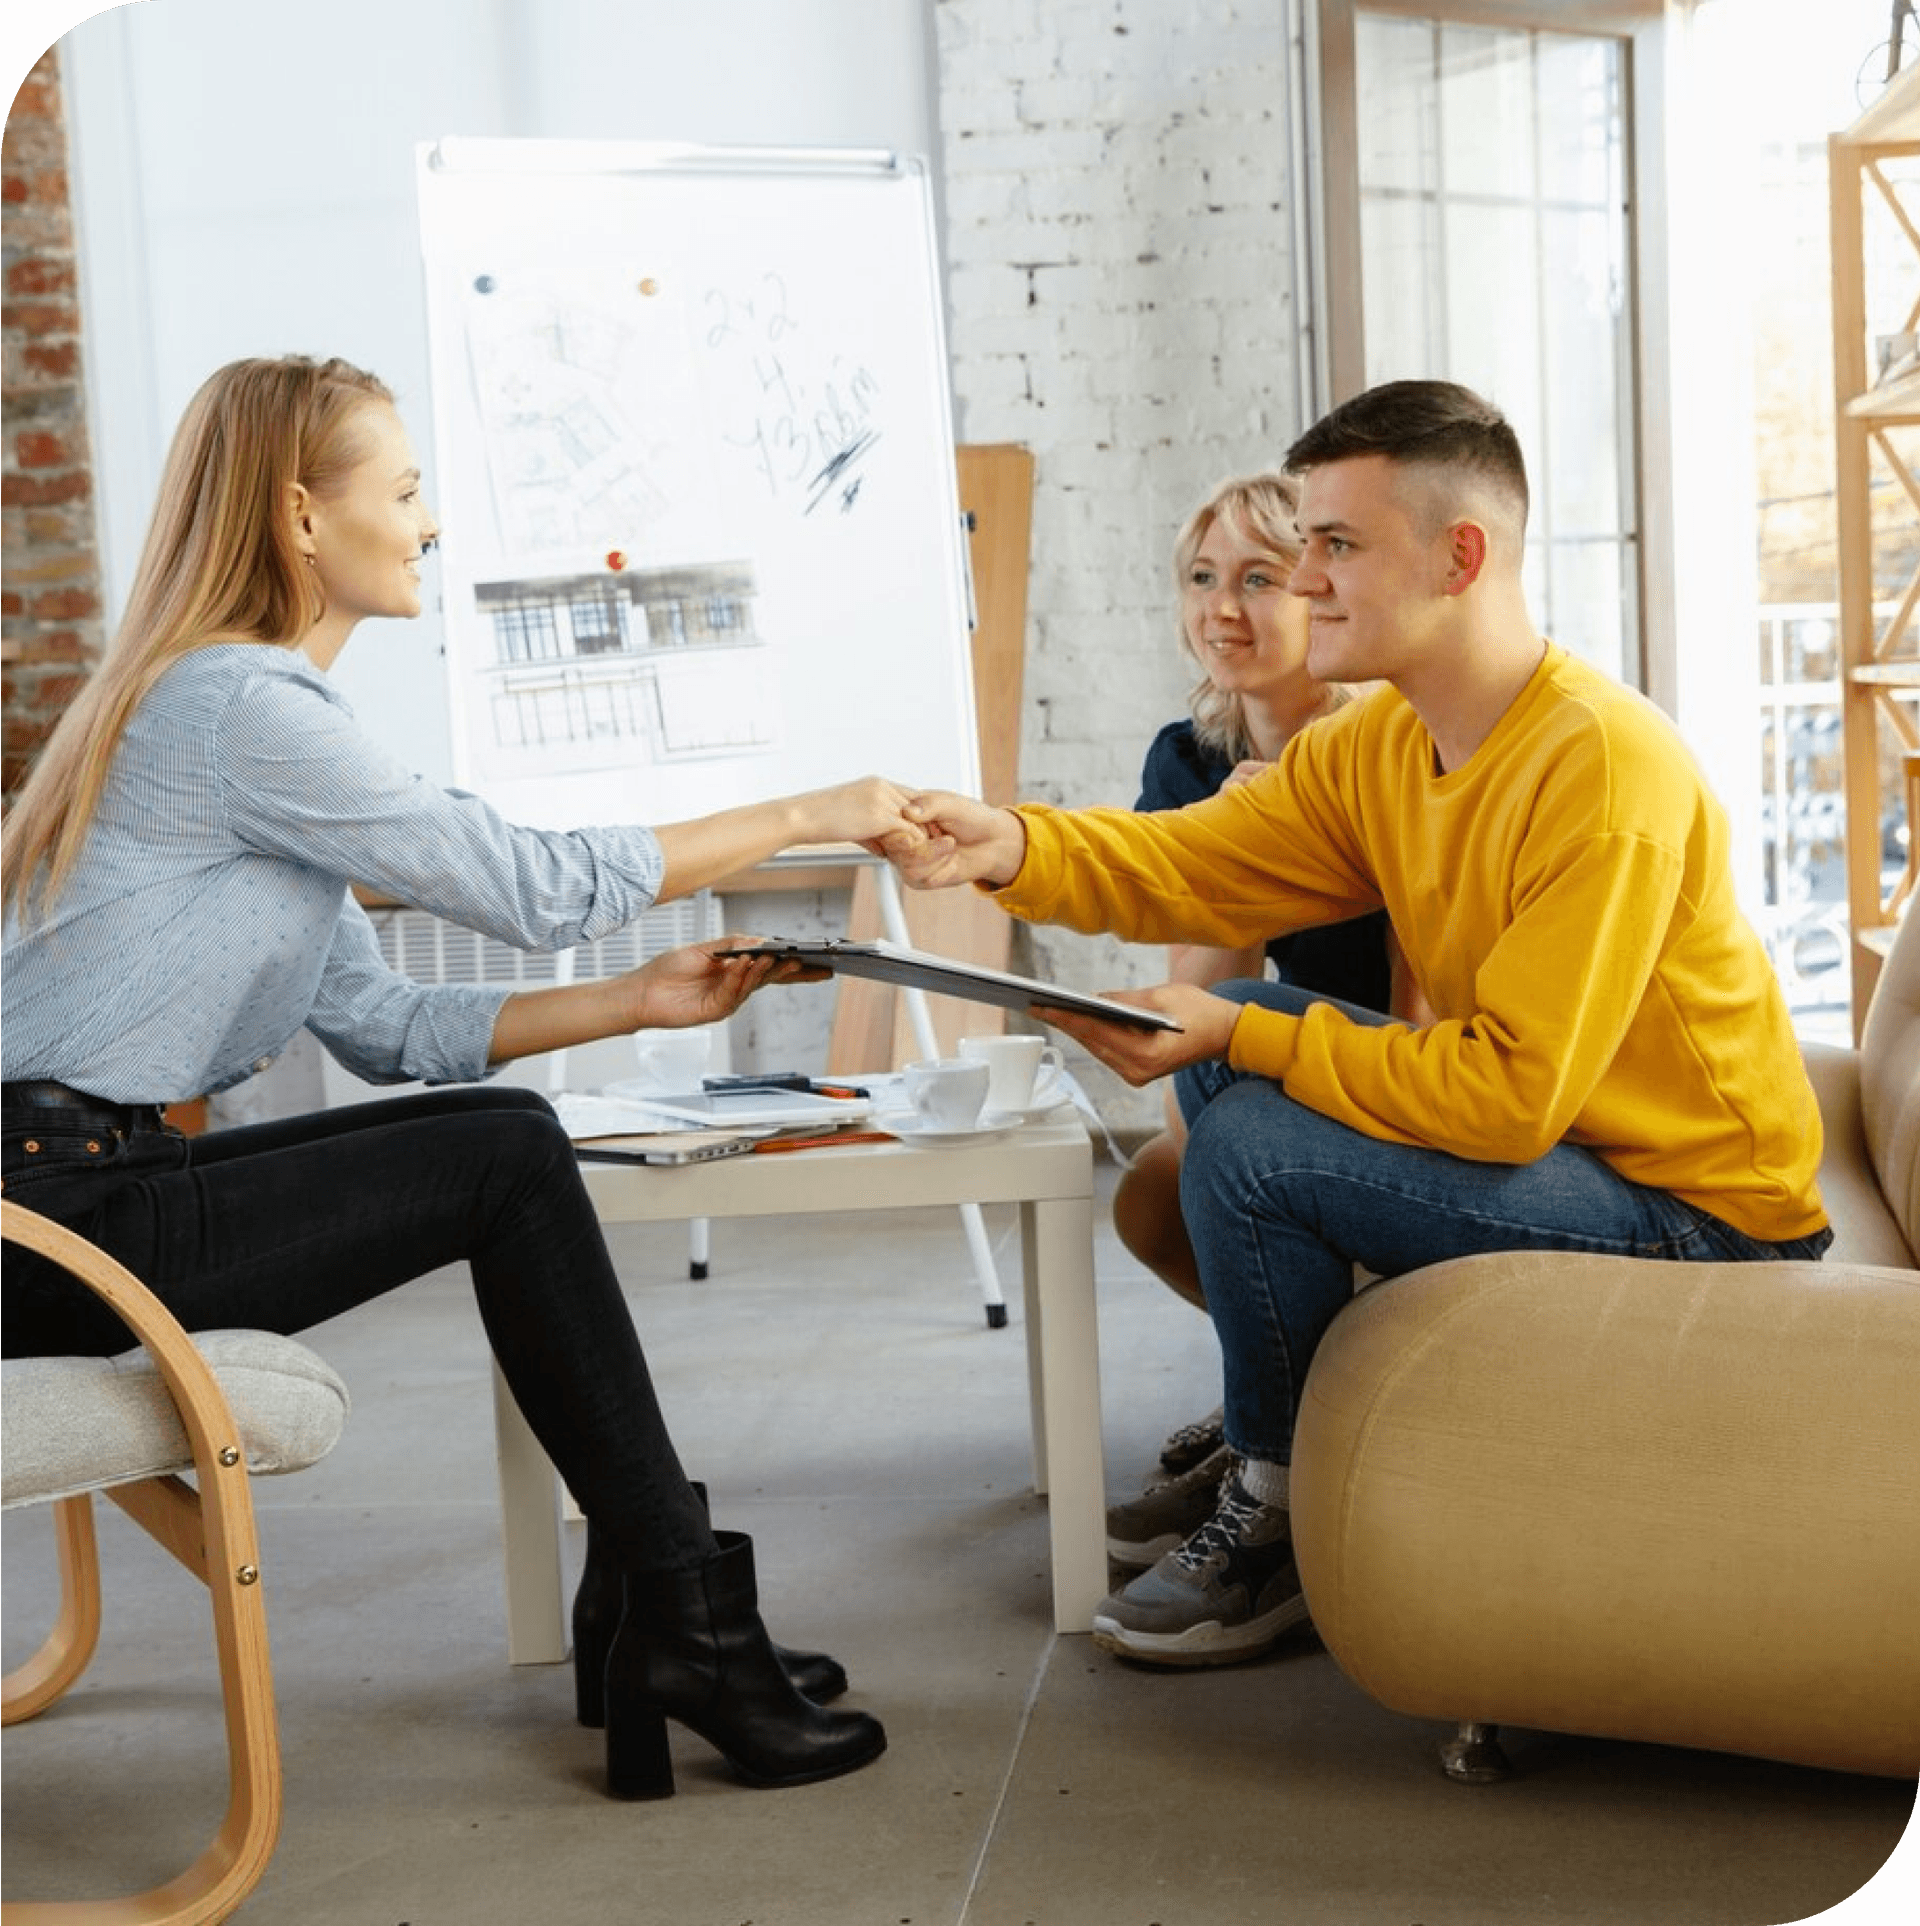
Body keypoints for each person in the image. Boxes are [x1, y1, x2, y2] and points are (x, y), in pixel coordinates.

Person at [0, 354, 915, 1797]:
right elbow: (538, 886)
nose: (430, 522)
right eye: (409, 488)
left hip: (84, 1188)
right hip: (49, 1221)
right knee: (506, 1156)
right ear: (303, 515)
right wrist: (818, 809)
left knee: (504, 1133)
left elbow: (386, 1027)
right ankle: (681, 1610)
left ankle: (656, 1595)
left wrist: (636, 997)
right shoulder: (239, 710)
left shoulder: (233, 716)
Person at [885, 378, 1832, 1670]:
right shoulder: (1385, 740)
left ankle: (1282, 1503)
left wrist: (1237, 1032)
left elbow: (1509, 1099)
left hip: (1702, 1218)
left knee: (1250, 1128)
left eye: (1336, 544)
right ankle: (1284, 1442)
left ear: (1460, 557)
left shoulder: (1602, 766)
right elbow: (1194, 862)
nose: (1304, 579)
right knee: (1237, 1055)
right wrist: (1008, 842)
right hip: (1582, 1157)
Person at [1105, 474, 1392, 1572]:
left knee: (1226, 1161)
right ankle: (1279, 1422)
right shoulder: (1188, 760)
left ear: (1317, 590)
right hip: (1270, 1061)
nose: (1221, 609)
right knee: (1154, 1192)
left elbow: (1429, 1014)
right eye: (1201, 577)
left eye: (1258, 579)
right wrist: (1240, 847)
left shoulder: (1388, 753)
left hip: (1385, 1072)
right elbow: (1196, 1016)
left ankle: (1275, 1442)